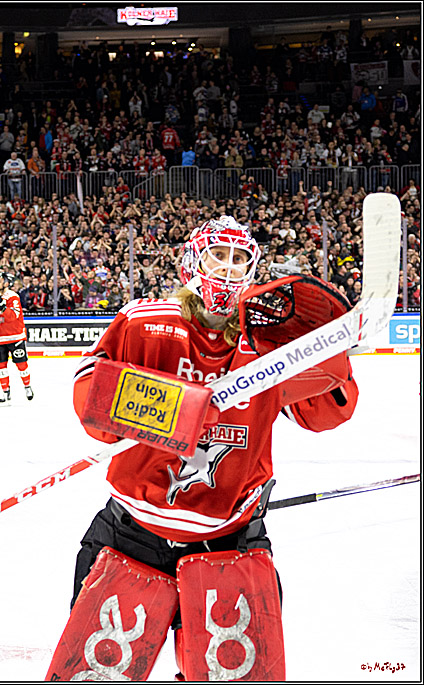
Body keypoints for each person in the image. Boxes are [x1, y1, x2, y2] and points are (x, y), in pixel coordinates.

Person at [53, 216, 360, 681]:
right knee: (96, 673)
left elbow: (325, 415)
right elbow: (89, 401)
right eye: (220, 256)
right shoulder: (145, 323)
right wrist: (171, 409)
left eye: (240, 261)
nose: (228, 270)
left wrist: (326, 357)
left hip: (231, 540)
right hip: (132, 534)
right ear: (191, 264)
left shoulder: (268, 347)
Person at [0, 269, 33, 403]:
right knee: (0, 366)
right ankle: (5, 392)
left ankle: (27, 387)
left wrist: (1, 305)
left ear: (7, 283)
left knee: (21, 364)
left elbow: (13, 317)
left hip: (15, 336)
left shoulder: (13, 296)